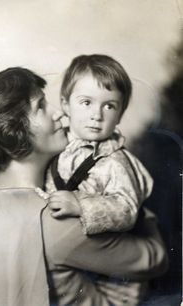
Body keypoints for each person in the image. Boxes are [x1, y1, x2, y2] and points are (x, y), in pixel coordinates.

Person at [0, 67, 167, 306]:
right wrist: (145, 214)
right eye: (40, 106)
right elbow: (155, 258)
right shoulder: (54, 218)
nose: (58, 113)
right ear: (13, 130)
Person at [46, 54, 153, 235]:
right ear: (65, 105)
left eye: (109, 106)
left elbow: (127, 209)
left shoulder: (115, 160)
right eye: (86, 102)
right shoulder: (53, 143)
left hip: (92, 250)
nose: (97, 115)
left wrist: (80, 206)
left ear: (120, 114)